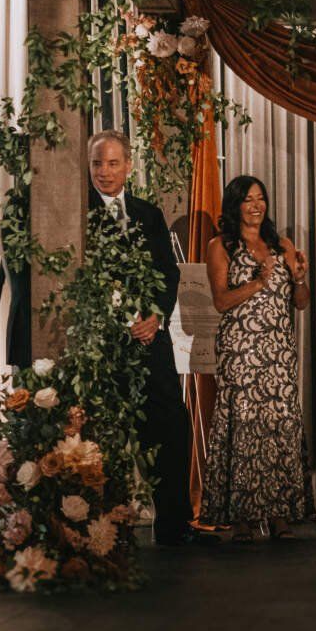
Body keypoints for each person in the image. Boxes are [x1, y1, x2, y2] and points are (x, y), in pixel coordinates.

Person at [86, 130, 194, 546]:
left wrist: (155, 316)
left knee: (170, 425)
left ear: (129, 165)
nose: (105, 172)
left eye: (113, 163)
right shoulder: (75, 212)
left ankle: (174, 523)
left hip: (150, 338)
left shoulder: (149, 213)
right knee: (107, 433)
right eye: (98, 163)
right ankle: (109, 527)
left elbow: (168, 273)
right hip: (105, 343)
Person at [202, 174, 310, 541]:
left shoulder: (282, 244)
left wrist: (298, 277)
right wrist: (258, 283)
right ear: (235, 205)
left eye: (260, 198)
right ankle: (242, 519)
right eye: (247, 199)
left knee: (279, 427)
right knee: (245, 430)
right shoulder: (222, 246)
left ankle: (280, 515)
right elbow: (221, 301)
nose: (256, 205)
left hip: (279, 351)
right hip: (242, 350)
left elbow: (301, 303)